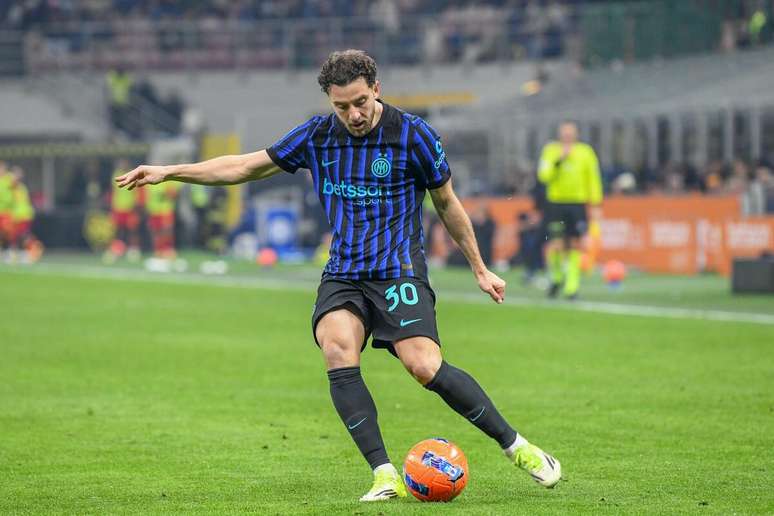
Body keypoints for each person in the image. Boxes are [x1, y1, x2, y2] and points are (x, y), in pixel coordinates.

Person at [116, 49, 561, 502]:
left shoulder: (414, 135)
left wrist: (480, 268)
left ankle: (517, 447)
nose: (354, 115)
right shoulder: (317, 136)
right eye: (342, 106)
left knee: (424, 366)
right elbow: (245, 166)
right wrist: (170, 171)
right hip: (344, 272)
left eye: (360, 102)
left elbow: (447, 203)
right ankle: (384, 474)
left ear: (376, 89)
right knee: (336, 348)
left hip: (398, 271)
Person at [538, 121, 602, 299]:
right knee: (555, 243)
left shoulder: (585, 152)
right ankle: (557, 277)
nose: (567, 135)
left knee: (575, 244)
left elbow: (593, 178)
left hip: (577, 203)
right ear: (559, 134)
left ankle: (571, 287)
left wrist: (596, 203)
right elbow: (543, 176)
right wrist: (559, 160)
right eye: (564, 132)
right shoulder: (550, 151)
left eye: (570, 132)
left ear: (576, 134)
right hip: (556, 202)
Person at [105, 159, 143, 263]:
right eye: (120, 163)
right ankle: (117, 250)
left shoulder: (134, 174)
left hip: (130, 208)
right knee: (119, 231)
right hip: (118, 208)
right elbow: (114, 191)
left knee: (132, 230)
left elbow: (138, 191)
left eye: (124, 163)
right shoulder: (116, 174)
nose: (122, 165)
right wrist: (111, 206)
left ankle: (133, 250)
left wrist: (137, 206)